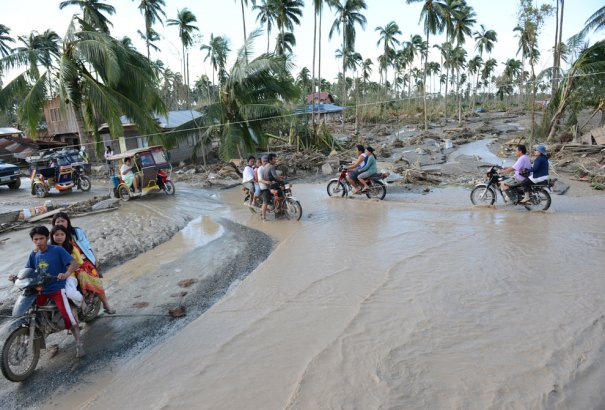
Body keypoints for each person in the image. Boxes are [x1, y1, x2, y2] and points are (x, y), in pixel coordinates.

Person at [24, 226, 84, 357]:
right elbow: (27, 270)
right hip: (41, 289)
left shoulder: (57, 250)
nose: (38, 241)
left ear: (47, 238)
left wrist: (66, 273)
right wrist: (17, 276)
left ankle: (79, 343)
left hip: (57, 288)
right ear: (32, 240)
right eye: (36, 239)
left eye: (41, 238)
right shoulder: (34, 254)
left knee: (68, 318)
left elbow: (74, 264)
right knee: (31, 312)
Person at [52, 212, 115, 314]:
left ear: (68, 221)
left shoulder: (76, 231)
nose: (60, 223)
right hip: (67, 264)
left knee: (88, 276)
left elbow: (87, 246)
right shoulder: (54, 236)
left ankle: (106, 305)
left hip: (84, 260)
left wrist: (95, 257)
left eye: (63, 221)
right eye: (57, 221)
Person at [50, 225, 85, 310]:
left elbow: (80, 262)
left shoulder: (71, 248)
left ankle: (83, 301)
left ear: (66, 235)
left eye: (62, 234)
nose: (59, 237)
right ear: (52, 236)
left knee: (70, 293)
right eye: (56, 235)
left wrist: (68, 269)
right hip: (53, 277)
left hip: (69, 276)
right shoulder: (49, 249)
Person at [257, 156, 271, 220]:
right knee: (265, 202)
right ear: (262, 162)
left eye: (266, 161)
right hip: (264, 187)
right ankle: (263, 216)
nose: (265, 162)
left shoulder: (268, 168)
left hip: (270, 185)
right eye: (264, 161)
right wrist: (266, 182)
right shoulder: (260, 169)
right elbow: (260, 179)